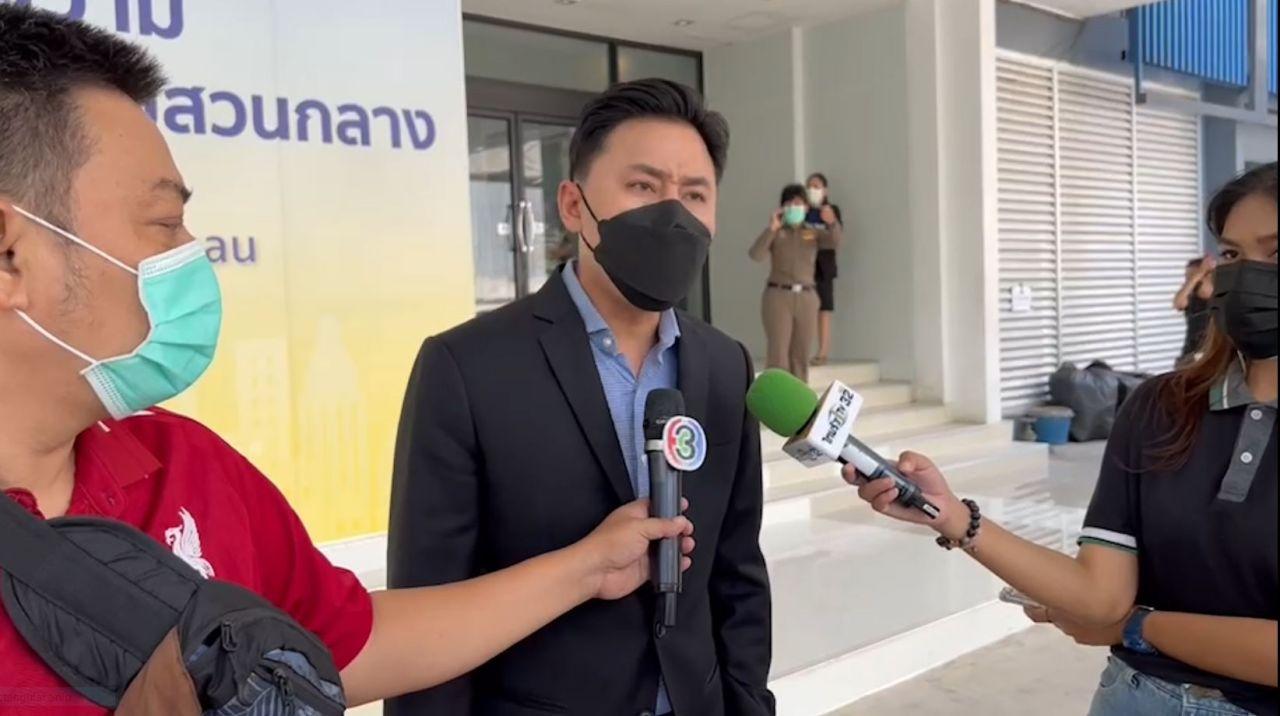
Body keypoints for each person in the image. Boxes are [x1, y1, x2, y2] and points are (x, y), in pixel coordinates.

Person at [0, 6, 695, 713]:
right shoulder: (468, 363)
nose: (190, 255)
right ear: (9, 255)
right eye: (163, 222)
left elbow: (349, 644)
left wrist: (586, 569)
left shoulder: (190, 467)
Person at [387, 79, 775, 716]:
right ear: (573, 205)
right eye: (643, 186)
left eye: (694, 194)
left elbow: (737, 572)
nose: (672, 214)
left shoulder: (724, 365)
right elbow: (425, 608)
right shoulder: (466, 366)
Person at [849, 162, 1278, 716]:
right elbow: (1100, 596)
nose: (1248, 276)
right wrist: (952, 516)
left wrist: (1140, 627)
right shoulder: (1160, 406)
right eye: (1233, 254)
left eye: (1276, 253)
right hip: (1133, 699)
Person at [750, 183, 843, 384]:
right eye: (790, 203)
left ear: (806, 207)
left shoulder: (813, 232)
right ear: (782, 207)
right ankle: (776, 398)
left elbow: (834, 242)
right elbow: (756, 254)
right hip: (778, 296)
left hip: (807, 296)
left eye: (799, 203)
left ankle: (798, 399)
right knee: (778, 354)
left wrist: (833, 223)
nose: (794, 207)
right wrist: (771, 229)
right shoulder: (777, 232)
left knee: (800, 354)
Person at [804, 172, 843, 366]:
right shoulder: (802, 211)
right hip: (804, 266)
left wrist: (831, 222)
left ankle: (822, 352)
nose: (813, 190)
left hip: (824, 267)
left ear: (825, 190)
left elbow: (836, 239)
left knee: (824, 309)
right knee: (805, 310)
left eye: (816, 186)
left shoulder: (831, 211)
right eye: (810, 186)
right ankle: (804, 351)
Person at [1174, 255, 1216, 367]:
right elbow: (1178, 303)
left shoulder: (1220, 294)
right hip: (1192, 352)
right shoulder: (1191, 297)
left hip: (1212, 353)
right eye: (1187, 277)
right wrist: (1196, 277)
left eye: (1191, 276)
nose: (1189, 281)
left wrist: (1200, 273)